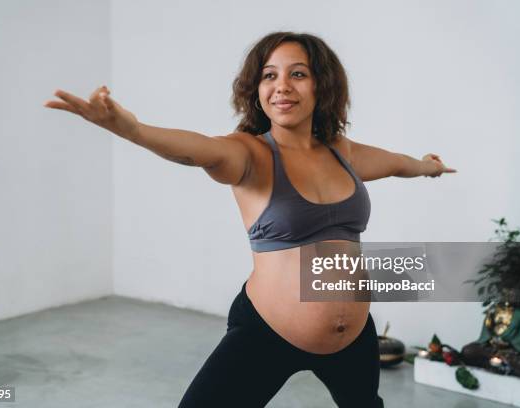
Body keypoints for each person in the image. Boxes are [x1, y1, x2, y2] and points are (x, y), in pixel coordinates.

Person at [45, 31, 456, 408]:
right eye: (269, 76)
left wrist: (427, 167)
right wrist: (132, 129)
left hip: (352, 339)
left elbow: (396, 164)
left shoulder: (340, 151)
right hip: (269, 333)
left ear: (322, 85)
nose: (282, 86)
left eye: (298, 74)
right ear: (256, 89)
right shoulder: (249, 154)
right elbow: (196, 150)